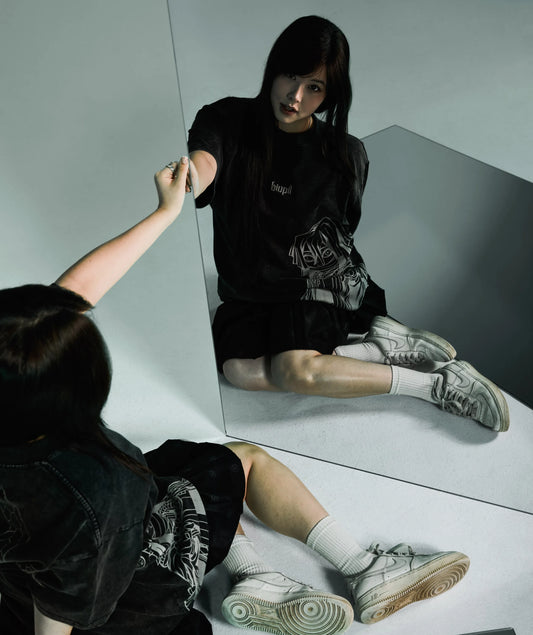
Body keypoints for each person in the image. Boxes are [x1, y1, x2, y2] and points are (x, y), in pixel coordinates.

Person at [0, 158, 470, 635]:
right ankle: (365, 569)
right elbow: (60, 610)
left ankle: (256, 577)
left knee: (179, 465)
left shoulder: (24, 415)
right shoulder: (97, 490)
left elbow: (68, 297)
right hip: (130, 595)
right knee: (239, 463)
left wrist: (163, 213)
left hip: (35, 580)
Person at [186, 15, 509, 432]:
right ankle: (378, 349)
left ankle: (436, 385)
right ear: (274, 67)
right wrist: (188, 178)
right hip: (250, 291)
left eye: (314, 87)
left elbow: (340, 235)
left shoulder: (343, 155)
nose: (295, 96)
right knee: (237, 372)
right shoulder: (226, 119)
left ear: (330, 95)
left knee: (295, 370)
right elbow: (204, 163)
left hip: (313, 287)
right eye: (291, 76)